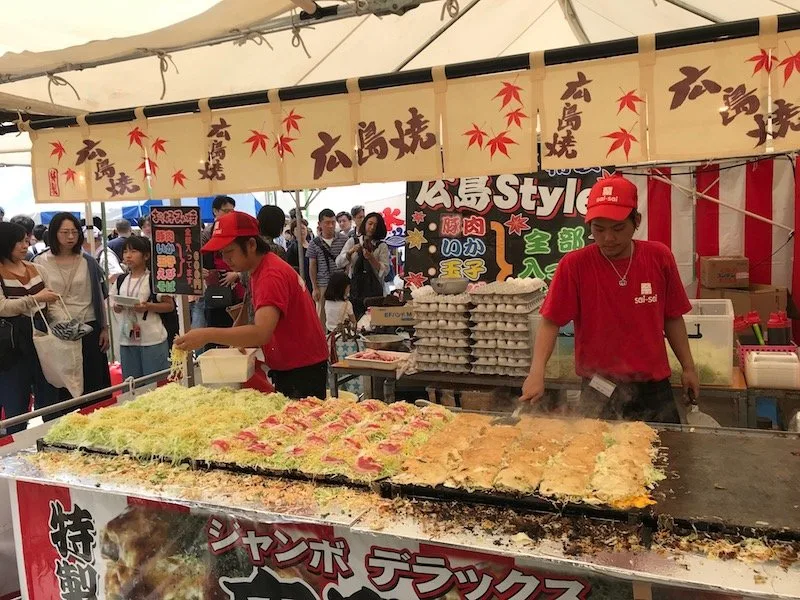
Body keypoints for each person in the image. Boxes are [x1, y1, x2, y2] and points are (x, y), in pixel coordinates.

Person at [520, 173, 699, 423]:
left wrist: (688, 368)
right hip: (599, 389)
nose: (608, 238)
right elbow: (551, 321)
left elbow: (672, 317)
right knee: (597, 458)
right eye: (598, 229)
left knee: (667, 457)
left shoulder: (659, 257)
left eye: (618, 228)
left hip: (654, 388)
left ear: (636, 221)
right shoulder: (574, 265)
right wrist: (536, 372)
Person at [175, 212, 329, 399]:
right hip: (297, 362)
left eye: (229, 252)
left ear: (251, 244)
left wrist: (206, 335)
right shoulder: (260, 268)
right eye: (222, 253)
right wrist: (235, 335)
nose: (225, 259)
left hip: (301, 368)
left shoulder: (270, 274)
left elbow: (261, 333)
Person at [33, 212, 111, 415]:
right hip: (56, 331)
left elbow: (98, 297)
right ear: (53, 234)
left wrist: (104, 327)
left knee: (93, 384)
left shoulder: (88, 262)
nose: (70, 237)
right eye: (65, 232)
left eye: (74, 232)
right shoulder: (39, 262)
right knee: (60, 384)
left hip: (88, 327)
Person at [0, 222, 59, 434]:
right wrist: (35, 299)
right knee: (16, 398)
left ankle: (52, 438)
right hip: (12, 342)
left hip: (43, 333)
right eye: (18, 242)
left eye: (26, 241)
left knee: (49, 391)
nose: (24, 246)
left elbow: (51, 302)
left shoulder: (37, 269)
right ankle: (16, 444)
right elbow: (3, 308)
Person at [113, 236, 174, 379]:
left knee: (155, 382)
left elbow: (169, 305)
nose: (128, 256)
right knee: (131, 382)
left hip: (152, 338)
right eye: (125, 252)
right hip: (127, 338)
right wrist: (118, 306)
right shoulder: (121, 279)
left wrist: (148, 306)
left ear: (146, 255)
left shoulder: (154, 279)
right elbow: (115, 307)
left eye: (133, 251)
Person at [336, 212, 389, 320]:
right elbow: (339, 262)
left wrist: (371, 258)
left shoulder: (381, 246)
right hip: (355, 290)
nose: (372, 227)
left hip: (375, 291)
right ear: (365, 224)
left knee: (375, 321)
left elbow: (386, 271)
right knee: (355, 320)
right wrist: (350, 252)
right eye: (370, 223)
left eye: (375, 225)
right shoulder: (353, 241)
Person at [307, 209, 348, 325]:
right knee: (321, 316)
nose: (330, 226)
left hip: (341, 284)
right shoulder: (314, 243)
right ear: (319, 224)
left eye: (333, 222)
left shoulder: (344, 239)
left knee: (343, 313)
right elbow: (312, 266)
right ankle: (323, 340)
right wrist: (314, 287)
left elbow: (348, 262)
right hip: (323, 283)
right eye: (327, 223)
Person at [286, 218, 313, 294]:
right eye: (298, 229)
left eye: (303, 228)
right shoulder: (292, 248)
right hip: (301, 280)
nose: (301, 231)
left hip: (312, 280)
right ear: (293, 232)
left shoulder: (312, 245)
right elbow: (290, 266)